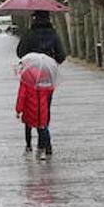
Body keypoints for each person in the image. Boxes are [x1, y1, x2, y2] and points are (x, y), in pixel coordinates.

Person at [15, 11, 65, 151]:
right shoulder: (53, 34)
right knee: (45, 106)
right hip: (47, 74)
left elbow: (20, 52)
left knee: (31, 104)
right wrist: (51, 61)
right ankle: (44, 138)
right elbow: (62, 55)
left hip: (31, 73)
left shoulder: (29, 34)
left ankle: (35, 140)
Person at [16, 54, 56, 160]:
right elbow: (50, 90)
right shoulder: (46, 75)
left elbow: (22, 94)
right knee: (43, 127)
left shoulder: (25, 75)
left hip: (29, 108)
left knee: (28, 125)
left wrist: (18, 109)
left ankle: (29, 145)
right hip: (42, 108)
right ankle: (46, 148)